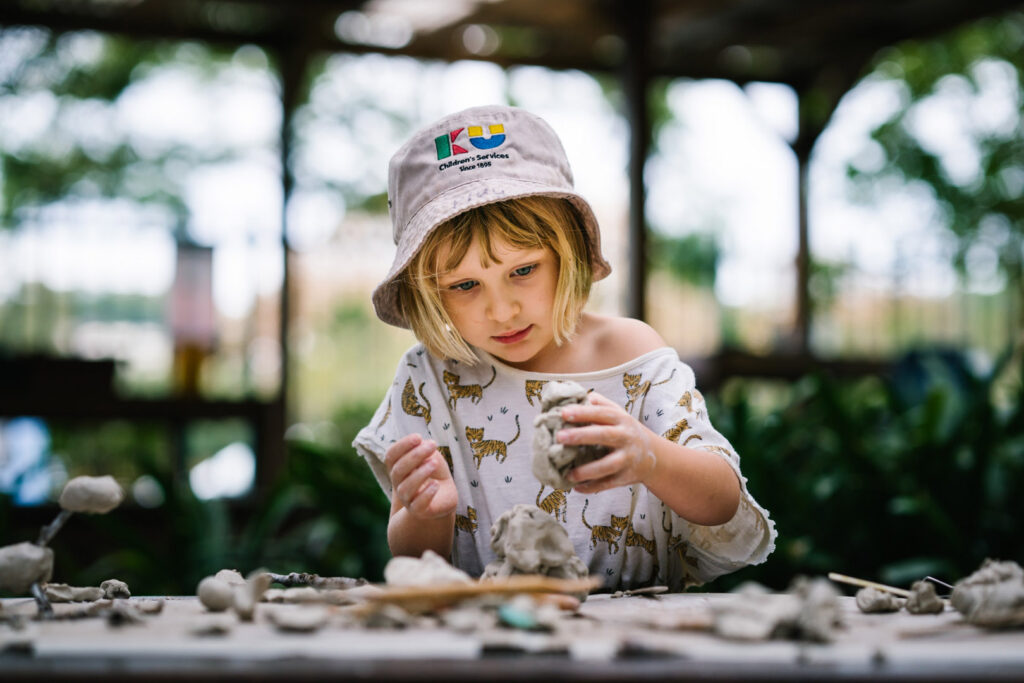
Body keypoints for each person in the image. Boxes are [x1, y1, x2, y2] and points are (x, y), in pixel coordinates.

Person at [353, 104, 775, 590]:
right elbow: (415, 557)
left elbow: (722, 501)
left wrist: (649, 456)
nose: (502, 310)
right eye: (465, 285)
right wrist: (429, 512)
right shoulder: (429, 381)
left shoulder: (631, 355)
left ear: (567, 253)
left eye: (523, 270)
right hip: (488, 637)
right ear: (428, 293)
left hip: (637, 636)